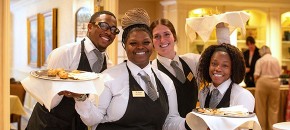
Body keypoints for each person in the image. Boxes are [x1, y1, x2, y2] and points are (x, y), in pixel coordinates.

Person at [73, 8, 189, 130]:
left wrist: (191, 123)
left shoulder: (165, 81)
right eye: (133, 43)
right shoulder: (108, 78)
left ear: (152, 45)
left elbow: (170, 121)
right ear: (124, 46)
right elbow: (92, 120)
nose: (140, 47)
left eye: (146, 42)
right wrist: (81, 98)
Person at [25, 10, 119, 130]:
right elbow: (49, 101)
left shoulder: (108, 63)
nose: (109, 32)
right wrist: (61, 88)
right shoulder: (65, 53)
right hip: (48, 123)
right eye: (103, 26)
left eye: (113, 30)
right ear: (90, 27)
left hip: (79, 125)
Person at [150, 18, 200, 118]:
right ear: (151, 42)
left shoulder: (191, 61)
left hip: (194, 125)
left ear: (174, 37)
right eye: (157, 36)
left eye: (166, 34)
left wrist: (220, 29)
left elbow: (220, 58)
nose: (162, 40)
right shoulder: (151, 70)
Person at [198, 43, 255, 112]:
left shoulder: (243, 96)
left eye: (225, 65)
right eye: (214, 64)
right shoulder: (203, 92)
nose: (218, 69)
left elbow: (245, 123)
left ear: (232, 69)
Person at [254, 45, 281, 130]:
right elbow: (279, 73)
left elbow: (256, 75)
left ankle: (261, 128)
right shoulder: (276, 60)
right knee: (273, 108)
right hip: (275, 83)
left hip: (262, 82)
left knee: (260, 108)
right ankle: (273, 128)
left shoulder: (260, 60)